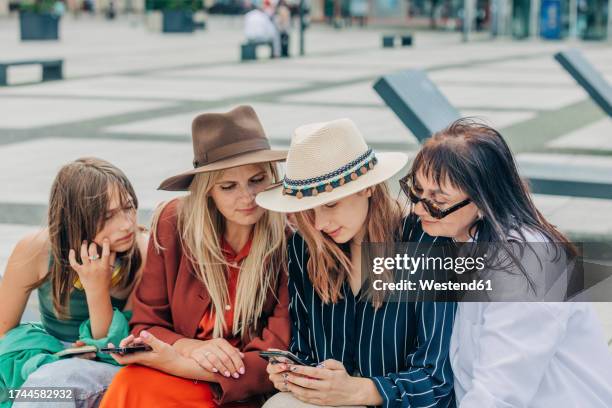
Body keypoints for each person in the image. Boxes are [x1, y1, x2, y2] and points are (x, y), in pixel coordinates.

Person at [401, 118, 612, 407]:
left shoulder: (527, 263)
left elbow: (499, 392)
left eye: (437, 199)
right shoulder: (465, 241)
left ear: (482, 201)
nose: (417, 208)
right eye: (416, 191)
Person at [99, 105, 291, 408]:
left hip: (238, 390)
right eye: (228, 186)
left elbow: (279, 353)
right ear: (207, 191)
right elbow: (146, 325)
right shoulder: (173, 223)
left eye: (257, 180)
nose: (248, 197)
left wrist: (182, 363)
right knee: (130, 382)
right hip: (179, 373)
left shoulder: (290, 237)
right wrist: (189, 347)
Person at [257, 118, 456, 408]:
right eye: (307, 211)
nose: (320, 223)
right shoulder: (304, 247)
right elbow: (305, 350)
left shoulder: (426, 245)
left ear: (368, 188)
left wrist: (360, 391)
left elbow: (437, 382)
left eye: (330, 204)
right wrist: (295, 374)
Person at [0, 157, 147, 408]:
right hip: (43, 354)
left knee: (53, 388)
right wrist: (49, 359)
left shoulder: (142, 251)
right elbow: (4, 329)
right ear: (75, 218)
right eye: (108, 215)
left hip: (109, 363)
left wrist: (96, 288)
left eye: (128, 207)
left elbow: (112, 348)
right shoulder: (37, 250)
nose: (126, 224)